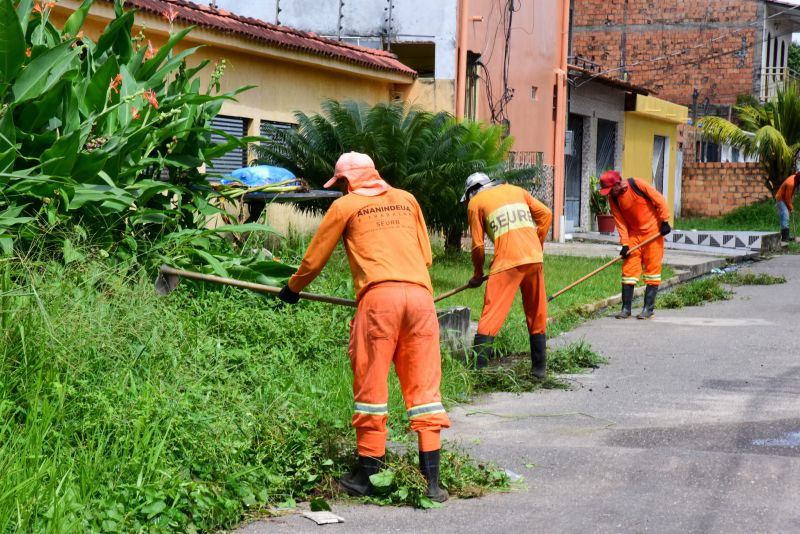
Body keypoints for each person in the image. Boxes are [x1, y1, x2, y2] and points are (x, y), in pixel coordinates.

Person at [278, 152, 450, 502]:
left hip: (379, 301)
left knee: (371, 386)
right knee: (424, 389)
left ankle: (368, 476)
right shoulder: (407, 199)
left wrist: (292, 289)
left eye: (340, 183)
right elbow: (426, 256)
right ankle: (432, 482)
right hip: (420, 299)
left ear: (347, 181)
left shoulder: (346, 206)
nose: (341, 190)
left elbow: (315, 258)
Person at [462, 172, 552, 378]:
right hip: (534, 258)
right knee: (536, 310)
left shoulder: (476, 202)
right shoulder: (516, 190)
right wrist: (537, 244)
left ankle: (478, 371)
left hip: (507, 263)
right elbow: (546, 214)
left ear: (472, 191)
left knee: (492, 313)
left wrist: (477, 274)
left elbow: (477, 245)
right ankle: (539, 370)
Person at [598, 170, 672, 320]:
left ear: (618, 184)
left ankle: (648, 309)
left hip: (653, 233)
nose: (609, 193)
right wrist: (625, 244)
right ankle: (626, 309)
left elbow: (659, 200)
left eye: (610, 190)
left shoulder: (638, 184)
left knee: (652, 270)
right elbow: (620, 222)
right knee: (629, 270)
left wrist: (664, 220)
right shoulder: (614, 199)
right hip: (633, 236)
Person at [775, 173, 800, 242]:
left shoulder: (795, 177)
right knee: (785, 216)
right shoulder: (791, 183)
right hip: (781, 198)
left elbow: (789, 196)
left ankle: (785, 236)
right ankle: (785, 238)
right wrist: (791, 208)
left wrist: (790, 206)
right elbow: (787, 198)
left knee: (785, 216)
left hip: (784, 198)